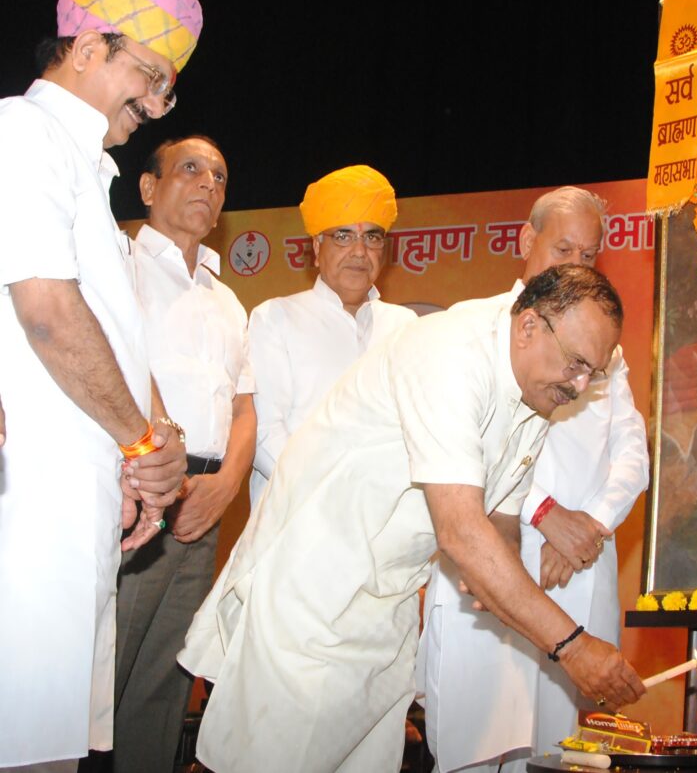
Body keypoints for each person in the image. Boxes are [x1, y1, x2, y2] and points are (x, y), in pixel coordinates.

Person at [179, 264, 645, 771]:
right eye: (576, 363)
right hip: (313, 587)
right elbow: (461, 532)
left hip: (390, 600)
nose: (580, 385)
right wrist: (573, 647)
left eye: (594, 373)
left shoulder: (539, 389)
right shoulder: (452, 354)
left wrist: (499, 575)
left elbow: (501, 516)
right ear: (529, 325)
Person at [0, 0, 199, 772]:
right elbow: (48, 312)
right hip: (30, 497)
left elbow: (116, 340)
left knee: (49, 744)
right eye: (148, 77)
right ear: (86, 48)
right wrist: (142, 445)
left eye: (166, 91)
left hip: (81, 502)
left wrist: (151, 447)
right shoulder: (22, 132)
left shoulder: (90, 171)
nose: (153, 104)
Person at [418, 187, 650, 771]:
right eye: (563, 249)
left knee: (563, 751)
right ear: (526, 240)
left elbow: (633, 452)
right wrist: (545, 515)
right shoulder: (480, 330)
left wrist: (589, 525)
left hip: (580, 563)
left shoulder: (606, 349)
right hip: (495, 556)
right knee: (478, 745)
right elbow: (470, 459)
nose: (576, 265)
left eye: (589, 255)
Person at [112, 136, 256, 772]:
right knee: (103, 673)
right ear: (148, 187)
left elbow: (247, 408)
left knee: (167, 679)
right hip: (135, 492)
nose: (208, 184)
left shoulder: (228, 299)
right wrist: (156, 466)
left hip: (205, 504)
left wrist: (226, 486)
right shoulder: (117, 265)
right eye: (190, 169)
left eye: (219, 177)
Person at [247, 163, 416, 505]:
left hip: (386, 516)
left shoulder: (405, 326)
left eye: (372, 237)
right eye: (343, 236)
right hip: (296, 515)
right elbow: (265, 431)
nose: (359, 251)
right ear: (316, 247)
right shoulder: (276, 318)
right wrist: (331, 500)